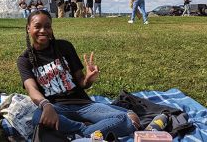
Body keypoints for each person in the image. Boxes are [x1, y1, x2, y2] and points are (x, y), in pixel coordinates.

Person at [17, 10, 138, 139]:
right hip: (55, 107)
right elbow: (32, 89)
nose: (43, 30)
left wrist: (88, 78)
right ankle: (87, 130)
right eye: (37, 26)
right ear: (28, 28)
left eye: (47, 26)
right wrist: (46, 105)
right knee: (38, 117)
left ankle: (82, 133)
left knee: (129, 119)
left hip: (83, 105)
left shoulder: (64, 47)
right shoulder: (24, 60)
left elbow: (81, 81)